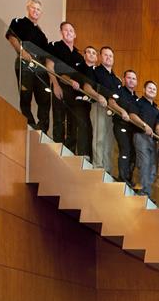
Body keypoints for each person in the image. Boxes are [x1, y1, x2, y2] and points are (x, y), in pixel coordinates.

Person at [5, 0, 50, 131]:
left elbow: (47, 53)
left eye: (38, 9)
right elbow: (11, 37)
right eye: (33, 8)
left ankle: (42, 128)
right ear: (28, 9)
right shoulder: (19, 22)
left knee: (44, 98)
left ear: (41, 13)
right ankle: (29, 125)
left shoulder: (41, 34)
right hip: (24, 65)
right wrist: (22, 51)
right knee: (26, 96)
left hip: (39, 68)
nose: (36, 11)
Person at [83, 46, 125, 174]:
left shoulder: (117, 79)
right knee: (99, 138)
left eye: (111, 56)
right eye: (106, 55)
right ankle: (98, 167)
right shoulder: (94, 70)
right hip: (99, 107)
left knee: (109, 142)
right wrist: (98, 96)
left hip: (113, 112)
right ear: (100, 57)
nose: (108, 58)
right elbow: (87, 87)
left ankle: (107, 170)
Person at [46, 21, 84, 153]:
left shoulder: (79, 55)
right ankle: (57, 150)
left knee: (73, 122)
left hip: (74, 92)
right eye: (66, 30)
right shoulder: (55, 46)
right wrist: (56, 85)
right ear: (61, 32)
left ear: (75, 35)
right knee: (59, 119)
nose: (68, 32)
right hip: (60, 86)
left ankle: (69, 151)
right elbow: (49, 66)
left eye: (71, 30)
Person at [129, 81, 159, 198]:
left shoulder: (156, 108)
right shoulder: (138, 102)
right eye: (150, 88)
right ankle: (143, 192)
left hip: (154, 140)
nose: (152, 90)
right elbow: (132, 116)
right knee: (144, 164)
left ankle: (147, 192)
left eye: (154, 89)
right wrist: (144, 125)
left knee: (153, 168)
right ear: (144, 89)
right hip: (141, 136)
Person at [110, 70, 139, 185]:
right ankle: (122, 177)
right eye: (129, 78)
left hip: (132, 129)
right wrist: (122, 111)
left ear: (136, 82)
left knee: (133, 153)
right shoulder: (119, 90)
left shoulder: (136, 98)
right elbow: (111, 102)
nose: (131, 80)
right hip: (120, 125)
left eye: (134, 78)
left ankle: (128, 178)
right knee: (125, 149)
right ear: (124, 79)